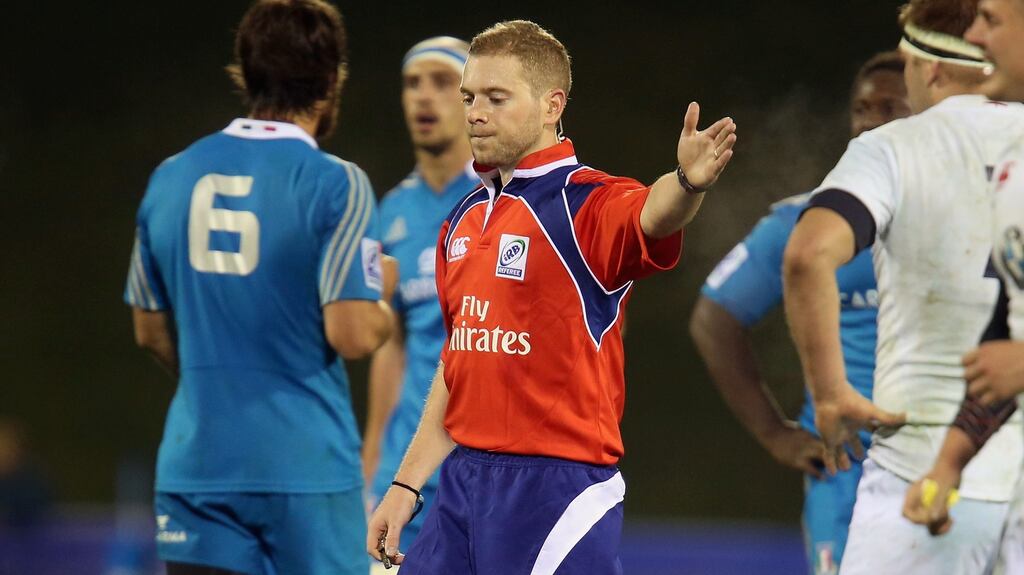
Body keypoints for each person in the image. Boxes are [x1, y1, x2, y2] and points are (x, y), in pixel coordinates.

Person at [366, 19, 736, 574]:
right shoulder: (461, 220)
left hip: (556, 489)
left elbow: (650, 215)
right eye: (470, 97)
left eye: (496, 97)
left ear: (550, 105)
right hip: (462, 484)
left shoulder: (587, 203)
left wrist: (686, 184)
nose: (474, 113)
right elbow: (459, 361)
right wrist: (405, 483)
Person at [123, 1, 396, 573]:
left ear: (243, 74)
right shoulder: (336, 184)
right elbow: (351, 334)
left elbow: (149, 330)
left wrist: (219, 380)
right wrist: (382, 304)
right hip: (304, 472)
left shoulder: (171, 177)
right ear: (331, 80)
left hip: (196, 467)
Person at [782, 0, 1024, 572]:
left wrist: (831, 392)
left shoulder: (896, 148)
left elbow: (808, 253)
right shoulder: (1011, 153)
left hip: (919, 466)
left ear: (930, 68)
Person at [690, 50, 910, 575]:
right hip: (847, 478)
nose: (869, 121)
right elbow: (714, 319)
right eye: (861, 108)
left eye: (891, 107)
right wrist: (776, 434)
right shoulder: (806, 222)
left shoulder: (982, 216)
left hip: (954, 467)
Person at [900, 0, 1024, 559]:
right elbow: (1008, 324)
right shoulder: (1013, 163)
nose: (973, 34)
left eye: (992, 20)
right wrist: (950, 462)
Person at [361, 35, 478, 556]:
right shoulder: (389, 214)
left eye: (441, 82)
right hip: (404, 473)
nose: (423, 98)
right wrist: (372, 463)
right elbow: (390, 342)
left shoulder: (505, 198)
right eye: (412, 84)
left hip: (482, 468)